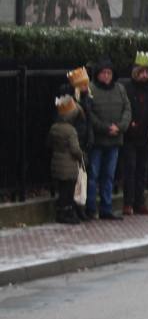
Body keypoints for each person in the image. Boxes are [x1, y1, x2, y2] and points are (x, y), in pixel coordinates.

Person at [87, 58, 131, 220]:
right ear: (98, 74)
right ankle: (90, 208)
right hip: (97, 140)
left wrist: (120, 127)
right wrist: (105, 128)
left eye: (109, 73)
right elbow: (89, 113)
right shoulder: (91, 89)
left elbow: (127, 109)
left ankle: (106, 208)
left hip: (115, 140)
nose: (106, 76)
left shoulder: (120, 89)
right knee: (93, 175)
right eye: (103, 73)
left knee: (109, 176)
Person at [121, 53, 148, 216]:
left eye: (146, 72)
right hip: (131, 137)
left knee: (142, 171)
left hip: (147, 137)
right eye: (141, 72)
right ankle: (128, 203)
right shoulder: (127, 88)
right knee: (130, 170)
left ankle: (140, 202)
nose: (144, 75)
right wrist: (128, 123)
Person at [49, 96, 85, 224]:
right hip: (69, 165)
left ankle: (60, 212)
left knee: (62, 190)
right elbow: (75, 149)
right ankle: (66, 213)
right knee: (68, 192)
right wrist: (82, 156)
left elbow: (49, 143)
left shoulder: (54, 127)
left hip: (57, 163)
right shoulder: (71, 131)